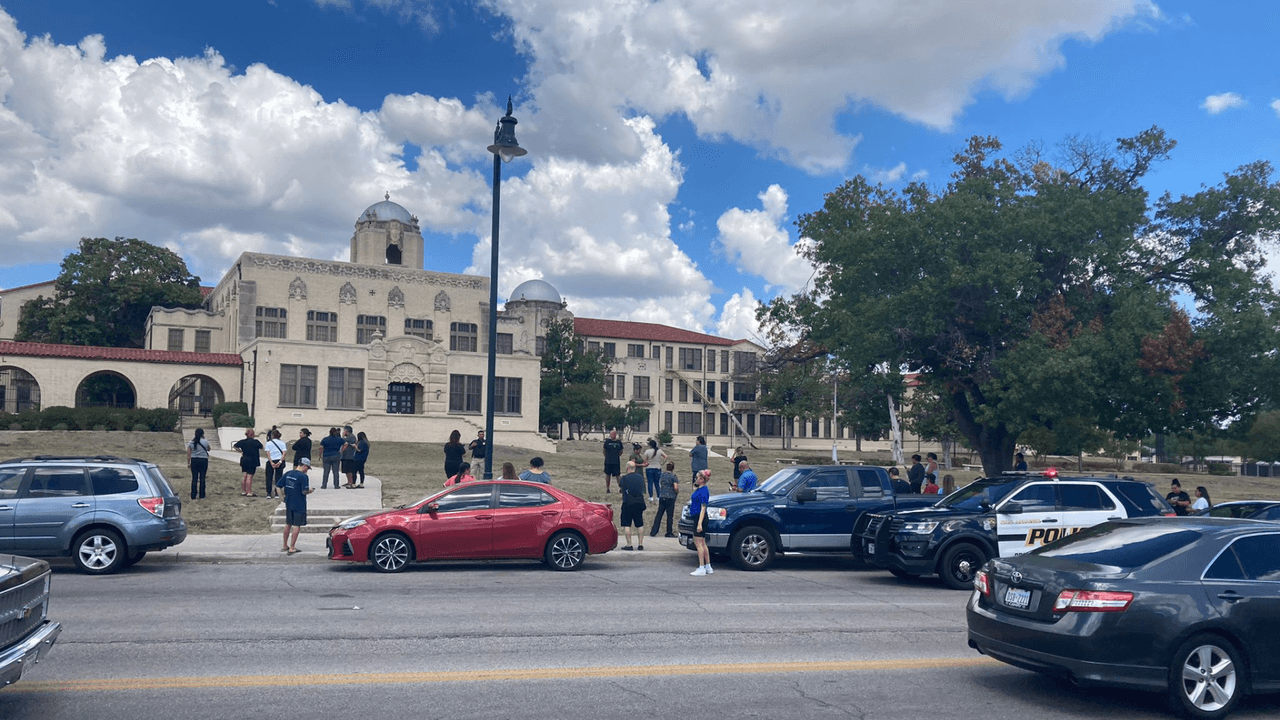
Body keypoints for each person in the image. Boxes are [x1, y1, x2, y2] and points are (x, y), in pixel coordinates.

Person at [277, 457, 314, 555]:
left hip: (289, 503)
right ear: (305, 466)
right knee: (296, 525)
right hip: (299, 504)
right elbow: (304, 491)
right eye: (308, 468)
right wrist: (310, 490)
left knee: (288, 523)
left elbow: (278, 486)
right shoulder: (303, 477)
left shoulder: (288, 473)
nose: (307, 470)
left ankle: (285, 545)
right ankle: (292, 547)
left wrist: (282, 498)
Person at [618, 461, 647, 550]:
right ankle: (640, 544)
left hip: (628, 503)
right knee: (639, 524)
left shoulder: (624, 478)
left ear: (627, 468)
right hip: (639, 502)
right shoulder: (640, 478)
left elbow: (621, 487)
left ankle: (629, 544)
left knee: (627, 524)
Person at [689, 469, 713, 576]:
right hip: (697, 516)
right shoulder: (700, 489)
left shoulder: (704, 491)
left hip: (700, 517)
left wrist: (699, 523)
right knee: (703, 543)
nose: (696, 479)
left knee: (698, 543)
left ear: (702, 479)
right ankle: (708, 565)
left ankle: (701, 566)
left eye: (697, 478)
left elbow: (703, 508)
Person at [649, 461, 680, 538]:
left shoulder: (662, 475)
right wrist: (677, 492)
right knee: (669, 516)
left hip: (662, 496)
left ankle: (654, 531)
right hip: (670, 497)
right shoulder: (673, 476)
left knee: (659, 514)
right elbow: (675, 487)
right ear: (673, 468)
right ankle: (669, 532)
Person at [233, 428, 263, 497]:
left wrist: (240, 451)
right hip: (252, 460)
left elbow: (234, 446)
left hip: (244, 459)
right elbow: (261, 447)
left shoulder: (242, 441)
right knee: (249, 476)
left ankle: (244, 491)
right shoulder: (256, 442)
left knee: (244, 476)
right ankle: (249, 492)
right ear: (253, 435)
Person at [186, 428, 210, 500]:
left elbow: (188, 453)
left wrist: (188, 462)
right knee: (202, 477)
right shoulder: (205, 441)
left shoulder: (191, 442)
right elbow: (209, 449)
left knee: (194, 478)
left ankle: (193, 495)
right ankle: (202, 495)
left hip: (194, 460)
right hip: (203, 460)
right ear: (202, 434)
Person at [264, 428, 287, 499]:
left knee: (269, 477)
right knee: (279, 477)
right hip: (279, 460)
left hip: (271, 460)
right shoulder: (282, 443)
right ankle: (277, 492)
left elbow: (268, 453)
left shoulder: (268, 443)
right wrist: (280, 461)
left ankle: (269, 493)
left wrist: (271, 462)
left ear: (272, 435)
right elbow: (284, 453)